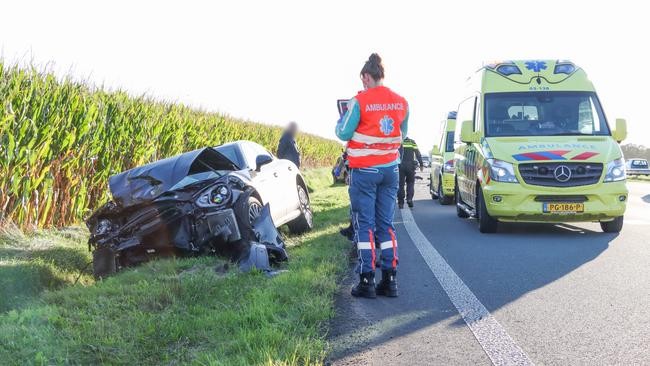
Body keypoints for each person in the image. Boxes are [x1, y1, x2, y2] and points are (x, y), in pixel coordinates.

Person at [335, 53, 409, 299]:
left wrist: (342, 118)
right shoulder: (401, 102)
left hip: (365, 171)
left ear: (367, 76)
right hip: (390, 170)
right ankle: (390, 280)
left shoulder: (360, 101)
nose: (364, 84)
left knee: (365, 225)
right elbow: (402, 134)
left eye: (364, 80)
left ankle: (367, 279)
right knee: (386, 225)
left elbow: (343, 132)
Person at [397, 137, 423, 209]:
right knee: (410, 183)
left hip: (400, 166)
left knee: (400, 185)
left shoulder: (399, 141)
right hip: (410, 166)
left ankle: (401, 203)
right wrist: (421, 164)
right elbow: (417, 153)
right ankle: (409, 199)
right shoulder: (412, 142)